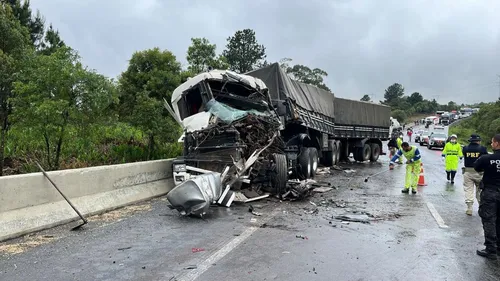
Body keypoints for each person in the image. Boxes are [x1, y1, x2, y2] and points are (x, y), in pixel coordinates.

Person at [474, 134, 500, 260]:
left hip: (490, 193)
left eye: (492, 142)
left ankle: (491, 249)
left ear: (496, 143)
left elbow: (476, 167)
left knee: (489, 220)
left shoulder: (486, 158)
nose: (491, 144)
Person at [462, 134, 488, 216]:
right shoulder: (483, 149)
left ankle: (469, 208)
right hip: (480, 173)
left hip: (468, 172)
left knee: (468, 189)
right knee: (480, 190)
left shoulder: (465, 148)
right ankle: (481, 207)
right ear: (478, 141)